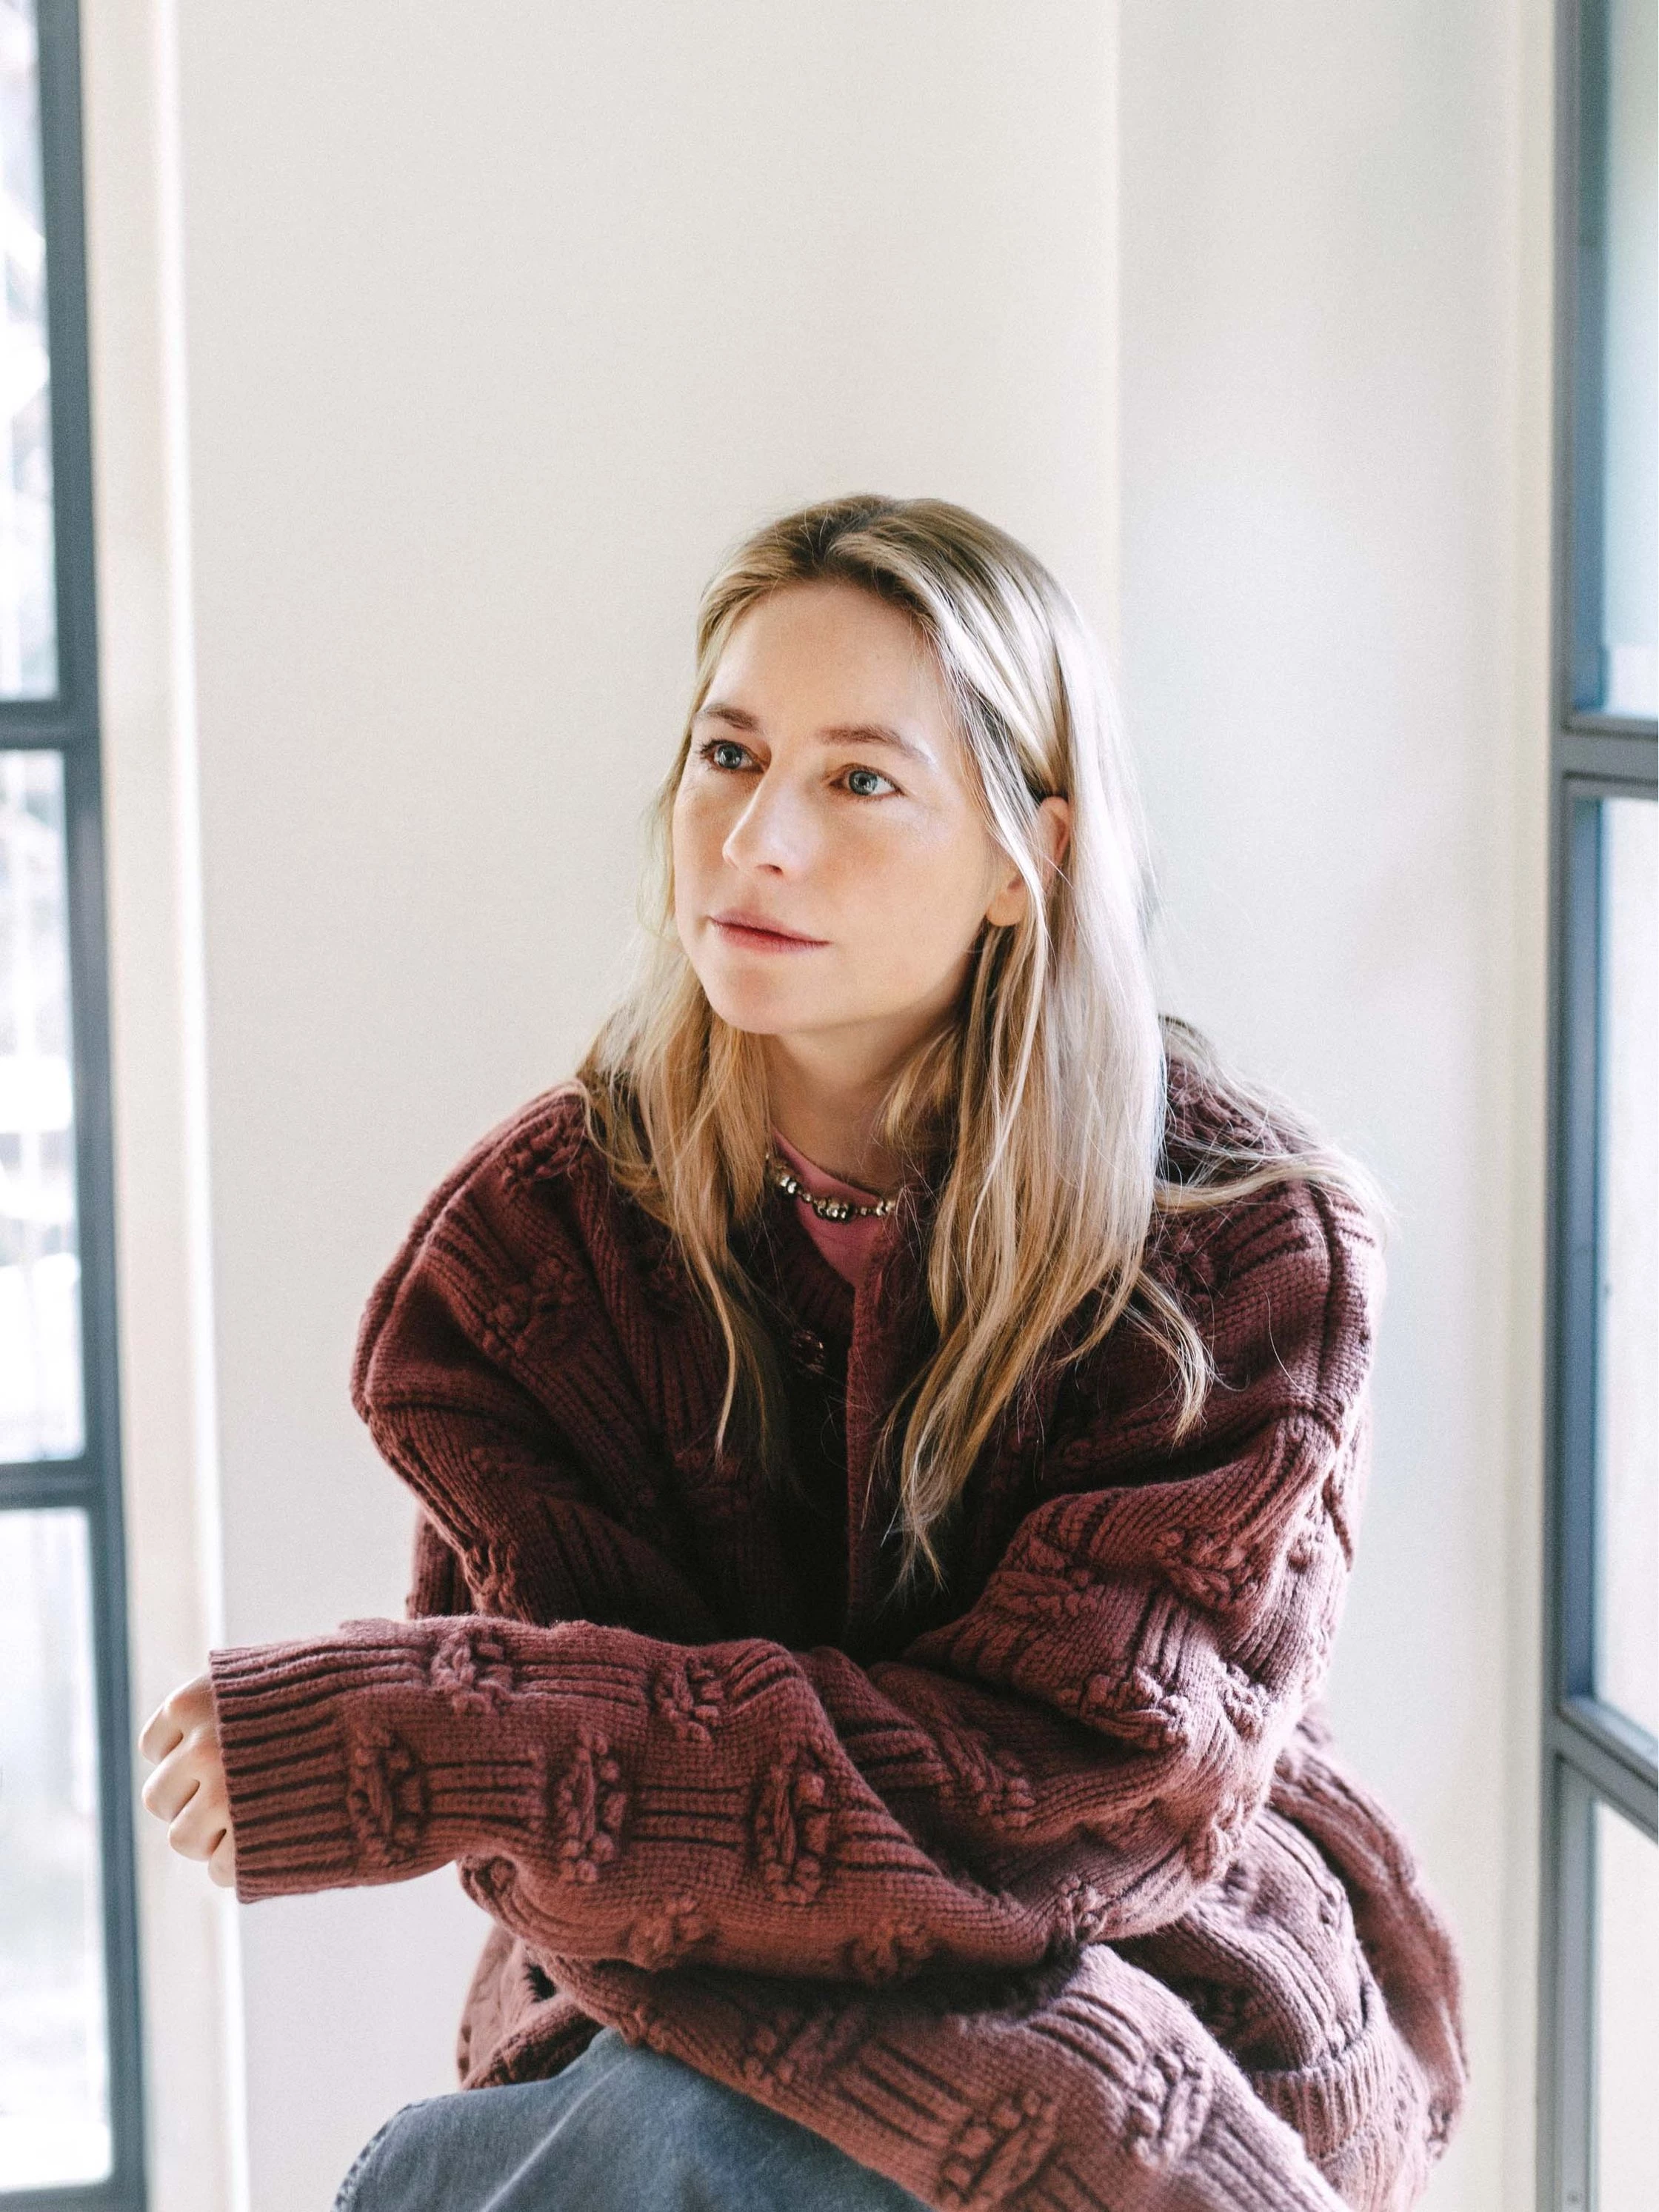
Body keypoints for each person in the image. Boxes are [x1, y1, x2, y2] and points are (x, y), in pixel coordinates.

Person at [138, 495, 1467, 2211]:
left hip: (1167, 1970)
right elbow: (577, 1879)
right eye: (729, 753)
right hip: (656, 2012)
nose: (757, 837)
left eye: (859, 779)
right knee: (675, 2138)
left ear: (1029, 857)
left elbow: (1077, 1797)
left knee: (625, 2159)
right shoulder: (529, 1252)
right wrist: (524, 1763)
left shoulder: (1242, 1243)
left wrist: (437, 1732)